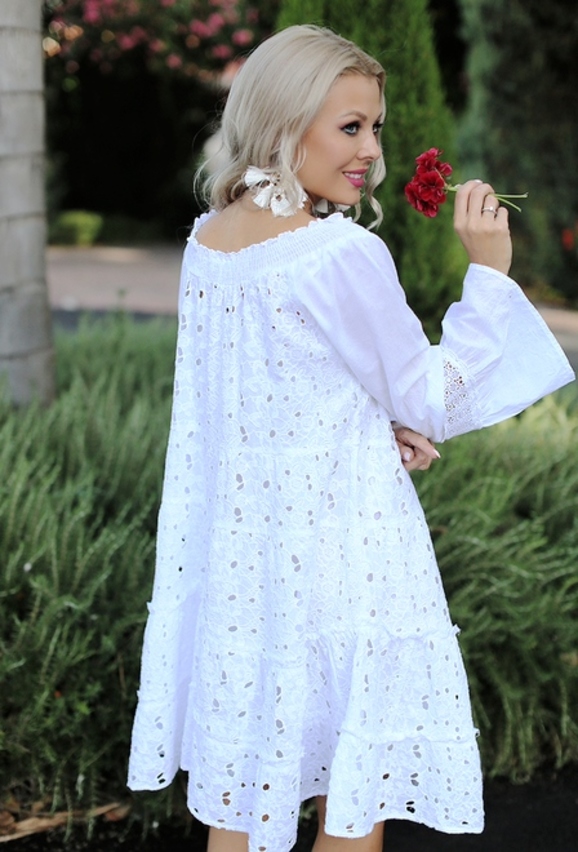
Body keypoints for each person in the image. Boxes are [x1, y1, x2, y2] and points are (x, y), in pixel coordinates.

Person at [127, 24, 574, 852]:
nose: (371, 150)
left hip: (246, 568)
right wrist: (488, 271)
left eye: (375, 126)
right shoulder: (336, 252)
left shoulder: (209, 242)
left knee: (243, 791)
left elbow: (263, 400)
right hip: (345, 559)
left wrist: (375, 424)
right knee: (351, 793)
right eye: (350, 126)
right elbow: (433, 397)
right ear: (283, 122)